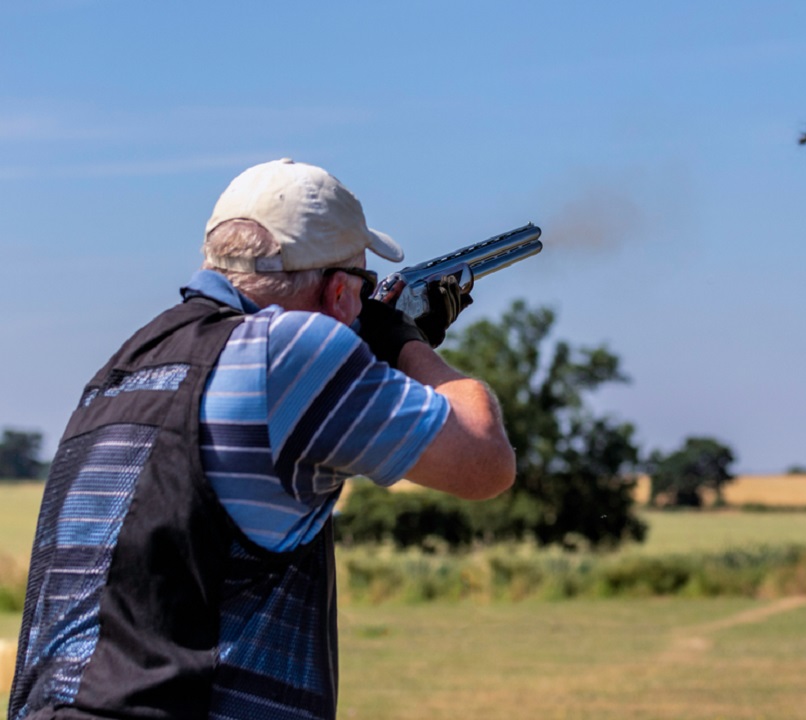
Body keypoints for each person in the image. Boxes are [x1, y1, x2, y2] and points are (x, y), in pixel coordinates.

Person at [7, 158, 516, 720]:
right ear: (341, 295)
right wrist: (402, 339)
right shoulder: (288, 350)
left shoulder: (126, 365)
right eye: (363, 288)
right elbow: (484, 459)